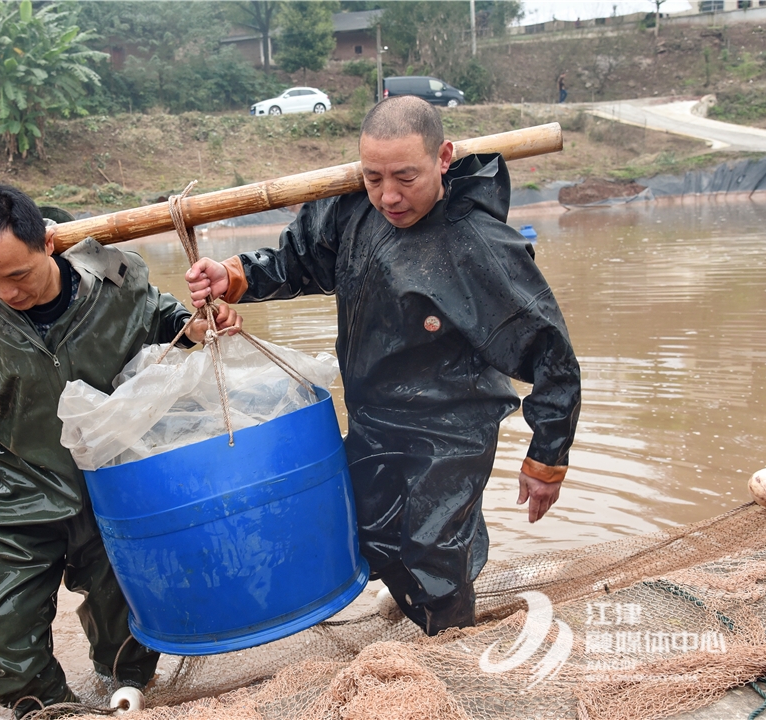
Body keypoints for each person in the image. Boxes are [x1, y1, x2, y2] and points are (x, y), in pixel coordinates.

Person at [186, 96, 581, 637]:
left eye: (405, 177)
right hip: (375, 416)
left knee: (432, 551)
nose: (388, 196)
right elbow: (298, 259)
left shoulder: (480, 249)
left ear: (443, 158)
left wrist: (546, 459)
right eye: (373, 177)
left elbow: (553, 357)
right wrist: (232, 277)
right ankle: (435, 592)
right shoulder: (352, 209)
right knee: (368, 537)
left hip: (452, 428)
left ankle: (453, 658)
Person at [0, 183, 241, 717]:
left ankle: (128, 686)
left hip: (118, 487)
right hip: (25, 492)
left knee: (134, 619)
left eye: (18, 275)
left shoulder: (117, 280)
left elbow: (170, 325)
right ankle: (50, 707)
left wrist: (202, 324)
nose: (7, 293)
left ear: (49, 243)